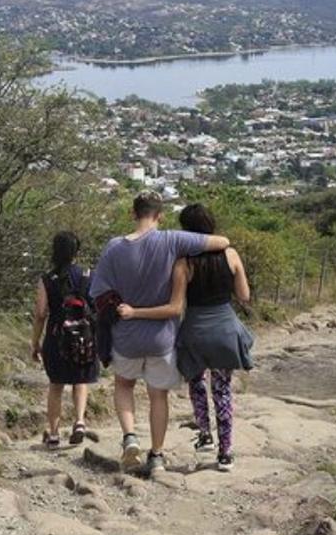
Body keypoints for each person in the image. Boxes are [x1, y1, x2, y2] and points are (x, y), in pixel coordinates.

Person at [89, 191, 230, 475]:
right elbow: (222, 242)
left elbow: (97, 290)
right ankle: (156, 455)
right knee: (158, 397)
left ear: (133, 213)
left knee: (124, 386)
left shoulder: (114, 247)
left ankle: (130, 436)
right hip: (162, 338)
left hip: (126, 334)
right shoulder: (171, 239)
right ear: (160, 215)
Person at [118, 204, 253, 472]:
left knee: (197, 383)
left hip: (195, 330)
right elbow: (244, 296)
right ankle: (226, 454)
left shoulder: (184, 262)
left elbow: (177, 305)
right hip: (225, 328)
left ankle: (204, 434)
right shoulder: (231, 254)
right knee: (223, 390)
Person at [31, 231, 99, 450]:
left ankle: (53, 434)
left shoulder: (46, 279)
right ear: (76, 251)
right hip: (84, 337)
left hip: (56, 336)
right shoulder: (88, 275)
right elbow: (96, 305)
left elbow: (41, 313)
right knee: (80, 381)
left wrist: (35, 342)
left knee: (56, 385)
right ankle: (79, 421)